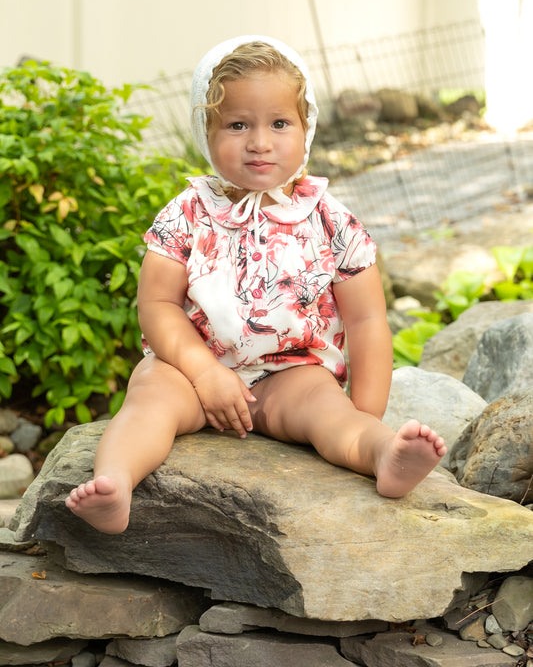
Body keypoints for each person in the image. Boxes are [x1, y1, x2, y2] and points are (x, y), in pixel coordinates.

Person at [65, 35, 446, 534]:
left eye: (279, 123)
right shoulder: (188, 213)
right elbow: (158, 304)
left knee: (332, 417)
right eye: (237, 124)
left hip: (292, 375)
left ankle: (381, 454)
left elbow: (368, 319)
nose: (259, 142)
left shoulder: (330, 220)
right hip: (192, 372)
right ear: (206, 131)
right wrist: (203, 373)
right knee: (149, 399)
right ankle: (113, 485)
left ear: (306, 128)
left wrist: (366, 411)